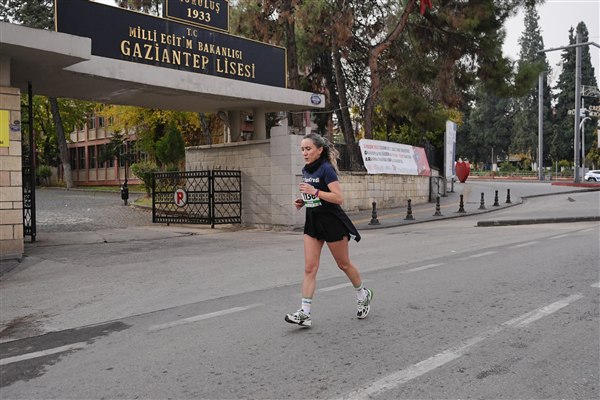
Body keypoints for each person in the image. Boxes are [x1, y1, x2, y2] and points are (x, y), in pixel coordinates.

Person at [285, 132, 373, 328]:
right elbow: (316, 197)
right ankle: (304, 313)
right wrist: (304, 201)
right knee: (310, 268)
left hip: (332, 222)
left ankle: (363, 294)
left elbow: (338, 198)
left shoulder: (327, 169)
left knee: (343, 264)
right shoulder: (306, 170)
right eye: (302, 149)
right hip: (313, 221)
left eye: (308, 149)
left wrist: (314, 192)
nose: (304, 153)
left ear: (319, 150)